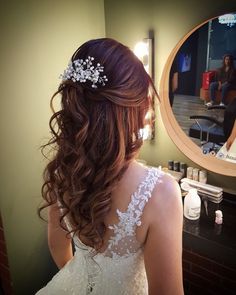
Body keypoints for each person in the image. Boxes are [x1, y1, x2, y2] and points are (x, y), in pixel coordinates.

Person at [36, 38, 184, 295]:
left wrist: (86, 284)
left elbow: (58, 248)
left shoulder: (63, 169)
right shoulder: (161, 192)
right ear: (134, 110)